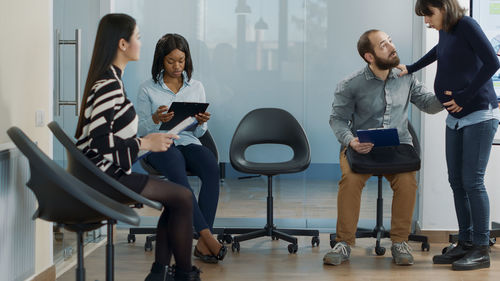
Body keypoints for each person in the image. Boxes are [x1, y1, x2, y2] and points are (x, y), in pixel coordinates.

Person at [74, 14, 201, 281]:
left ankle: (161, 273)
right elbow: (99, 144)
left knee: (177, 199)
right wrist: (145, 143)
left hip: (102, 171)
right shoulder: (109, 85)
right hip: (103, 176)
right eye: (138, 38)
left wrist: (150, 144)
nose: (141, 44)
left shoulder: (110, 80)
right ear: (123, 44)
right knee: (184, 198)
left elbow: (105, 140)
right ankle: (184, 275)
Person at [325, 29, 443, 266]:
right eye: (383, 45)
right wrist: (351, 141)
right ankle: (344, 243)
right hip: (361, 148)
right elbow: (337, 120)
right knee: (350, 181)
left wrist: (451, 91)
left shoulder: (406, 77)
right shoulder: (350, 84)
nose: (391, 47)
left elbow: (429, 105)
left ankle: (400, 242)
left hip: (397, 148)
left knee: (408, 182)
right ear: (370, 56)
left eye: (390, 41)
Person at [397, 0, 500, 271]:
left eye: (428, 15)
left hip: (479, 114)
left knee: (472, 182)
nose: (427, 22)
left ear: (442, 6)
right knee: (457, 181)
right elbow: (438, 52)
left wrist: (465, 96)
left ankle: (480, 248)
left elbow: (491, 62)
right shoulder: (447, 30)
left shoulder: (467, 25)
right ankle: (465, 242)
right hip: (455, 118)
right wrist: (412, 67)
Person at [136, 33, 226, 264]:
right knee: (175, 164)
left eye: (181, 60)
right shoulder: (147, 89)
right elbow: (141, 130)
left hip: (186, 140)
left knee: (210, 165)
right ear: (160, 61)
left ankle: (203, 244)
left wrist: (202, 122)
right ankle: (206, 237)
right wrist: (156, 118)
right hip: (159, 144)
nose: (177, 66)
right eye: (171, 61)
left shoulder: (196, 87)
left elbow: (198, 133)